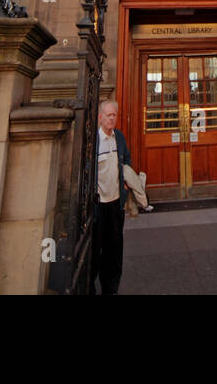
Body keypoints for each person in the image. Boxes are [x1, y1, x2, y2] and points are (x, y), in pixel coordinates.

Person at [90, 99, 129, 294]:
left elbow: (126, 160)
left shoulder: (119, 138)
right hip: (99, 205)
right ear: (100, 117)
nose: (112, 118)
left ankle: (110, 287)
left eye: (114, 115)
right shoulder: (93, 141)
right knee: (95, 249)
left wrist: (126, 182)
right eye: (108, 115)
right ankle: (89, 285)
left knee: (114, 249)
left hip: (116, 203)